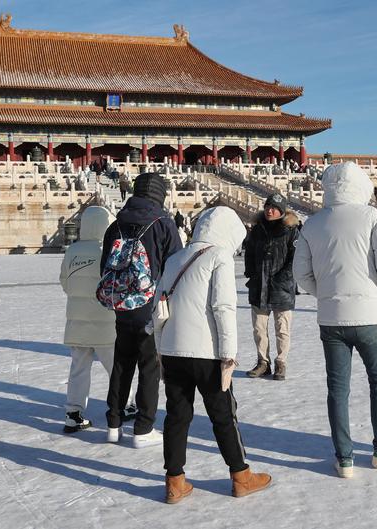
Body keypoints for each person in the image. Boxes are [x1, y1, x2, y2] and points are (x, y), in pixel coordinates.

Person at [293, 162, 377, 477]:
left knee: (337, 388)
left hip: (331, 318)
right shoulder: (371, 216)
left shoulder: (313, 223)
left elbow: (300, 273)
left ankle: (344, 458)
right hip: (369, 315)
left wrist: (325, 294)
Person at [155, 206, 273, 503]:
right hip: (206, 352)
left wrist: (160, 350)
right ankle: (241, 476)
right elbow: (223, 308)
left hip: (172, 349)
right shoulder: (218, 256)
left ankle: (174, 481)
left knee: (176, 416)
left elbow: (159, 307)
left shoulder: (174, 259)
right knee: (223, 415)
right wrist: (228, 355)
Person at [100, 172, 182, 447]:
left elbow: (105, 267)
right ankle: (143, 428)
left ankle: (113, 424)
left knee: (122, 363)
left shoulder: (116, 225)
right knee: (149, 366)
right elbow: (175, 267)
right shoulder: (163, 224)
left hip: (122, 304)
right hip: (150, 306)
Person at [60, 206, 132, 432]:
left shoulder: (72, 250)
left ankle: (73, 413)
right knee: (116, 367)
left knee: (78, 369)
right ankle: (125, 405)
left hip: (77, 321)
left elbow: (65, 282)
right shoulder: (109, 249)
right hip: (106, 321)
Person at [244, 193, 300, 380]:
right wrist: (251, 274)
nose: (270, 210)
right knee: (259, 328)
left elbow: (295, 259)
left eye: (274, 208)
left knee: (282, 328)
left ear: (282, 211)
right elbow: (249, 253)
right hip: (259, 285)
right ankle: (263, 362)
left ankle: (281, 362)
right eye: (268, 206)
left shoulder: (291, 230)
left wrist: (282, 279)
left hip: (281, 287)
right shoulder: (257, 229)